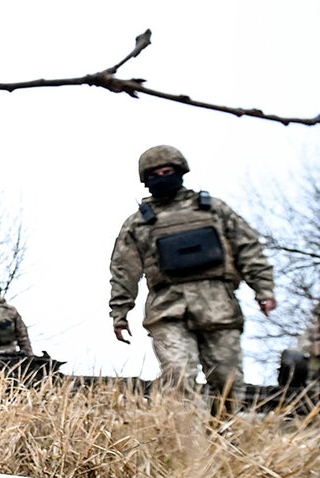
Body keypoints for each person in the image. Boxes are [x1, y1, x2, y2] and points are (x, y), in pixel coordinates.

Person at [108, 145, 276, 415]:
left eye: (168, 171)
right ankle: (186, 443)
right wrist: (119, 312)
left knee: (228, 381)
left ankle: (226, 440)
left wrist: (264, 289)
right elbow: (123, 269)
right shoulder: (138, 223)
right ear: (145, 180)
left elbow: (248, 248)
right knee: (178, 375)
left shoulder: (212, 210)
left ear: (181, 172)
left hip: (218, 306)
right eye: (155, 174)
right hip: (167, 308)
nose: (162, 177)